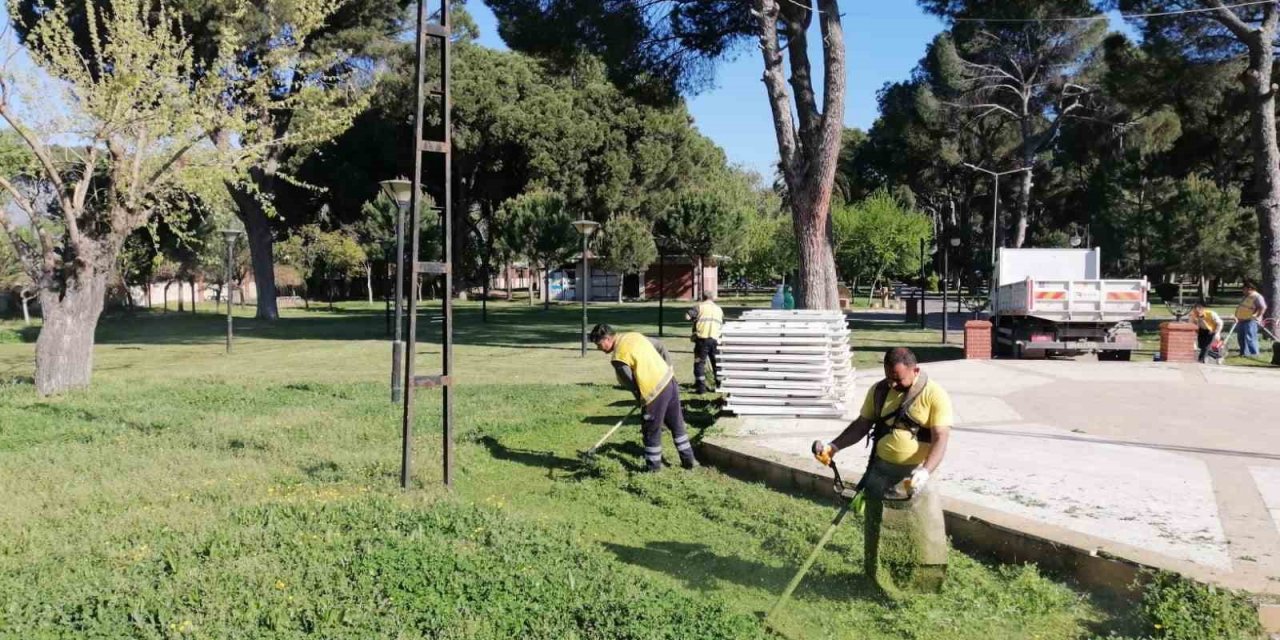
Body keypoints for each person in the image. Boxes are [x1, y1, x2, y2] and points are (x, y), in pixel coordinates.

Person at [812, 347, 952, 592]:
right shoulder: (879, 391)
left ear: (915, 370)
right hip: (880, 474)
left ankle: (921, 586)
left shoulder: (934, 394)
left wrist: (925, 471)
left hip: (915, 478)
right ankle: (875, 581)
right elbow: (862, 425)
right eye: (889, 377)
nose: (893, 383)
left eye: (898, 378)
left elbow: (941, 438)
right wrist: (834, 447)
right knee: (877, 532)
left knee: (920, 534)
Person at [588, 324, 696, 471]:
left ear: (607, 338)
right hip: (669, 381)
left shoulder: (618, 357)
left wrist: (641, 400)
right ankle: (689, 462)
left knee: (651, 430)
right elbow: (660, 345)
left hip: (654, 392)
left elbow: (631, 384)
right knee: (677, 425)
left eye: (599, 344)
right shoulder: (634, 336)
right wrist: (668, 368)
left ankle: (653, 469)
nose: (599, 348)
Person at [685, 292, 723, 393]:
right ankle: (719, 385)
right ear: (712, 298)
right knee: (716, 363)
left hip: (702, 340)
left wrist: (694, 319)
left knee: (699, 363)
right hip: (715, 339)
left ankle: (701, 388)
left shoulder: (699, 307)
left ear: (703, 297)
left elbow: (687, 316)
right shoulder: (719, 309)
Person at [1235, 280, 1268, 357]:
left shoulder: (1257, 296)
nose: (1243, 291)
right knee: (1241, 337)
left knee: (1250, 337)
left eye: (1244, 289)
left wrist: (1257, 316)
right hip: (1241, 319)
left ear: (1250, 288)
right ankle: (1243, 353)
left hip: (1250, 320)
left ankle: (1254, 354)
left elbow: (1263, 307)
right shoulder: (1246, 296)